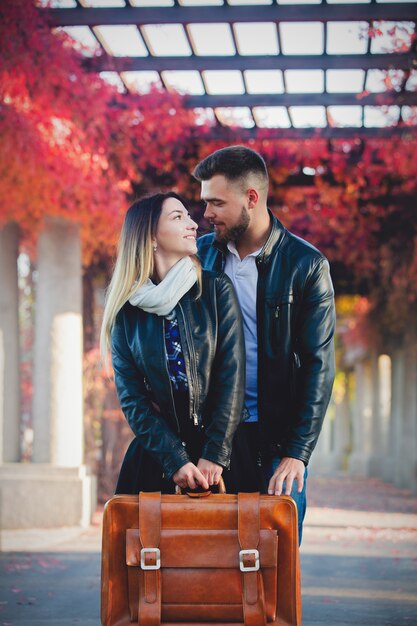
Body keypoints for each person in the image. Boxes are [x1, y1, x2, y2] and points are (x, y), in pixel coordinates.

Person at [194, 146, 336, 542]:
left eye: (216, 202)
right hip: (212, 435)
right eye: (205, 202)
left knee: (276, 557)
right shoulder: (200, 256)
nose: (206, 213)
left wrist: (297, 453)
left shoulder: (306, 266)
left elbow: (318, 365)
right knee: (211, 560)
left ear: (251, 198)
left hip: (277, 440)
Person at [100, 192, 256, 494]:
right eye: (178, 217)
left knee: (236, 540)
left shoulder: (214, 289)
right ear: (151, 237)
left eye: (188, 215)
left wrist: (214, 453)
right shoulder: (125, 311)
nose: (193, 224)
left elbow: (232, 377)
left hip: (225, 459)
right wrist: (176, 461)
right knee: (146, 541)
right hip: (157, 460)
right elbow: (134, 402)